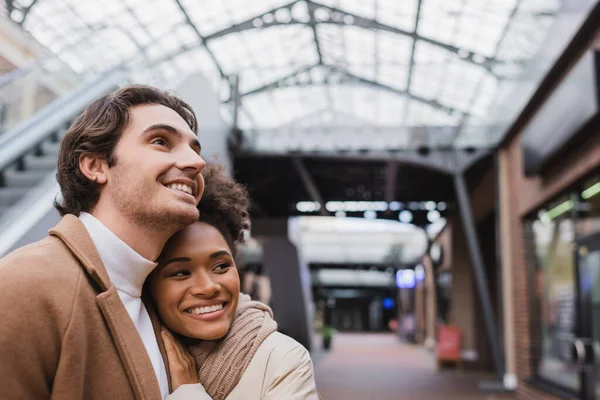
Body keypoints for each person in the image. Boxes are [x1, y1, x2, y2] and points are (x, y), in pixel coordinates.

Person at [0, 85, 207, 399]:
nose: (196, 162)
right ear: (95, 166)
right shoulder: (23, 285)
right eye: (161, 141)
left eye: (195, 148)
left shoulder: (161, 295)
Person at [147, 164, 319, 400]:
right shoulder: (134, 347)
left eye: (221, 266)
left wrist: (188, 391)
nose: (209, 287)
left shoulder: (283, 359)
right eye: (181, 273)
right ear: (149, 284)